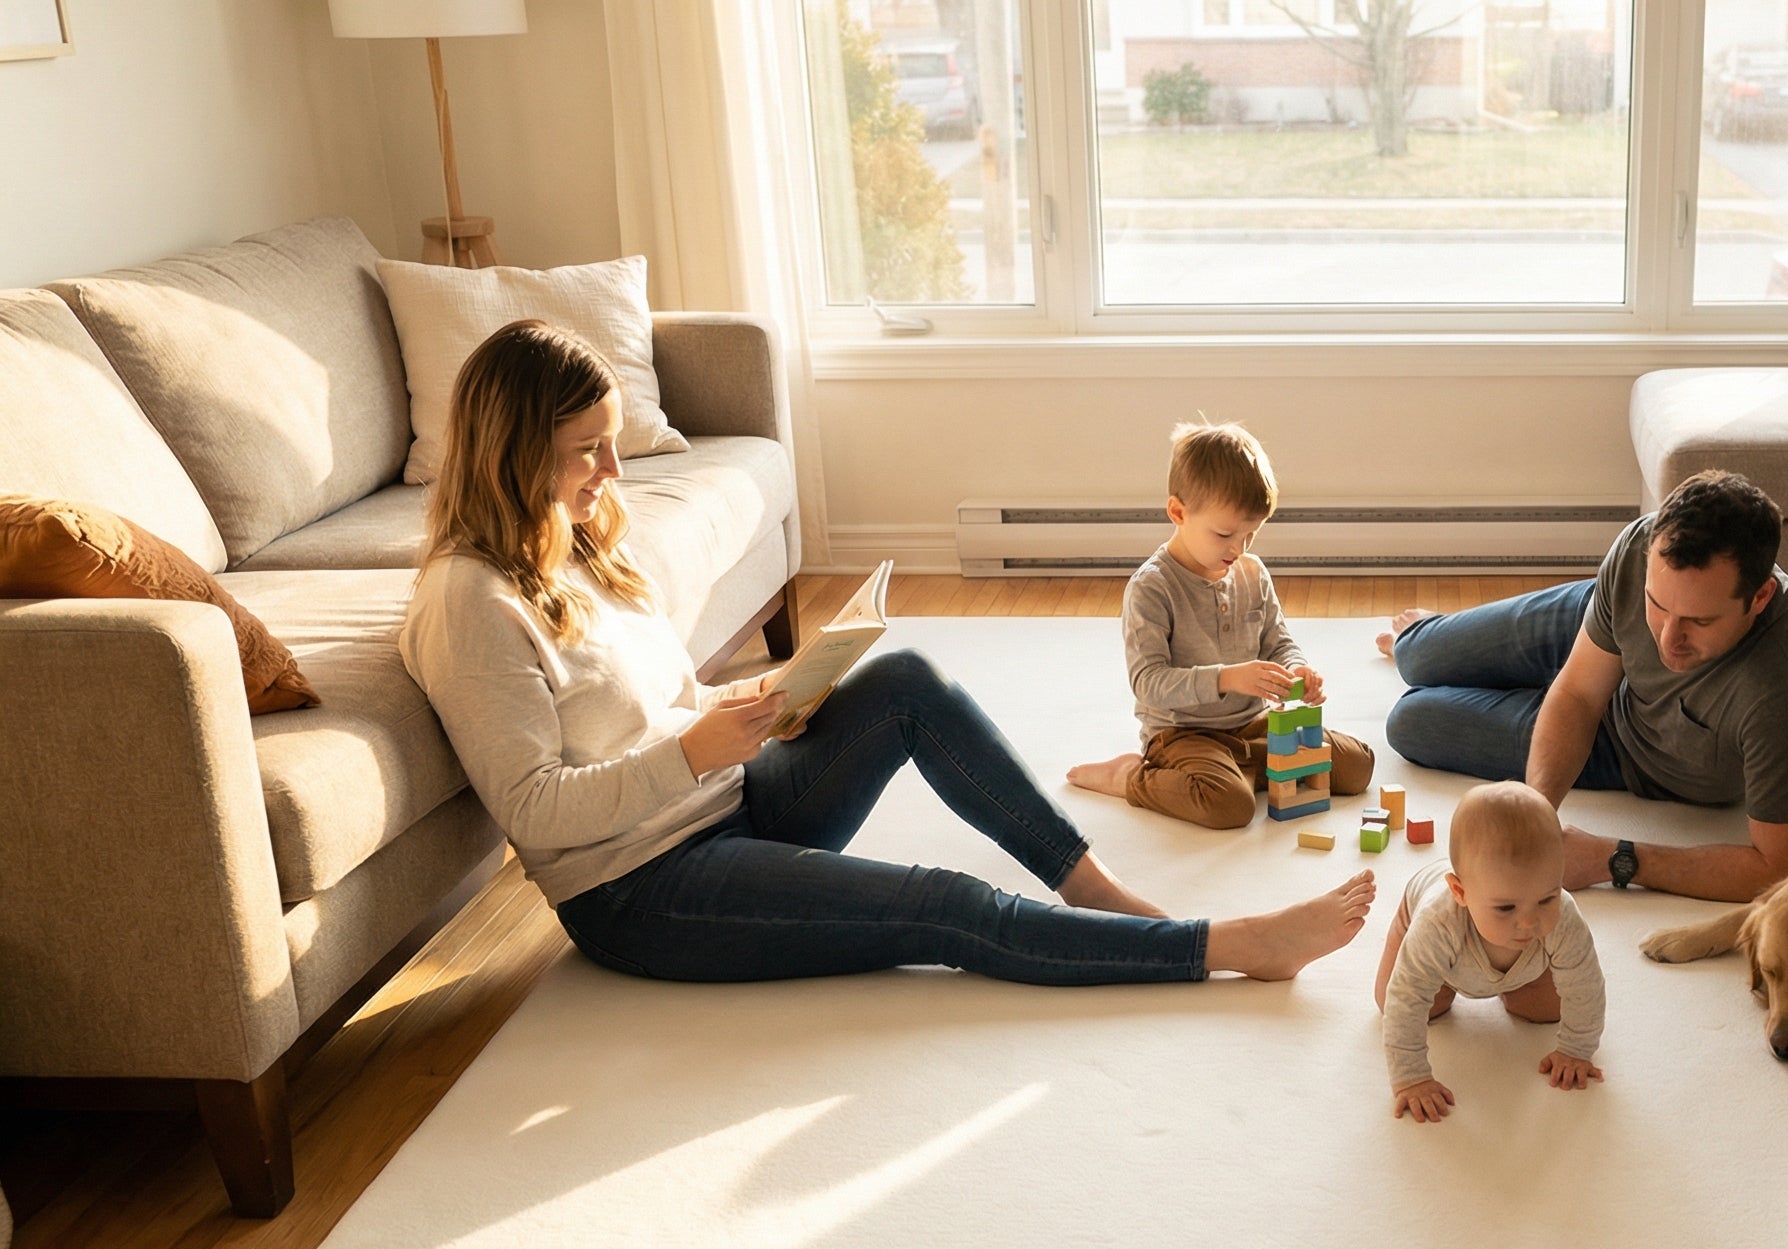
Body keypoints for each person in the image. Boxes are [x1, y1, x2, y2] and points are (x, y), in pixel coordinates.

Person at [399, 319, 1372, 986]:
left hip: (731, 803)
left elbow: (666, 701)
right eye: (587, 448)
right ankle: (1223, 947)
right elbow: (531, 812)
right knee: (941, 906)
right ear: (510, 447)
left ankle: (1097, 893)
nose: (614, 470)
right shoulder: (467, 602)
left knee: (902, 683)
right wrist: (694, 751)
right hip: (642, 886)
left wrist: (764, 699)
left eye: (611, 443)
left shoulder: (581, 549)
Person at [1380, 471, 1788, 903]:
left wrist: (1612, 857)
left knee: (1411, 720)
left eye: (1699, 621)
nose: (1667, 639)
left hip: (1631, 754)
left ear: (1760, 596)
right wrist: (1539, 814)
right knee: (1416, 655)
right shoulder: (1637, 548)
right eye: (1658, 604)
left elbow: (1781, 869)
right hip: (1598, 635)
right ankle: (1429, 634)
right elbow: (1581, 693)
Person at [1067, 422, 1374, 827]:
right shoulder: (1152, 587)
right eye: (1226, 533)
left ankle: (1242, 772)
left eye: (1251, 534)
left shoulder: (1252, 571)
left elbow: (1276, 640)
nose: (1239, 548)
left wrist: (1297, 668)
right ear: (1178, 512)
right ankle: (1131, 777)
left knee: (1358, 766)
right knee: (1229, 807)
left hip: (1253, 726)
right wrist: (1227, 678)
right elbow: (1148, 682)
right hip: (1183, 735)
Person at [1371, 782, 1607, 1124]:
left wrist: (1576, 1049)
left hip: (1525, 960)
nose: (1528, 921)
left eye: (1546, 898)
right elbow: (1406, 1000)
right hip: (1435, 938)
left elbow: (1585, 984)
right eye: (1506, 907)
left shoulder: (1562, 916)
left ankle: (1511, 981)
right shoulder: (1437, 923)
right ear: (1460, 891)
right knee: (1394, 1001)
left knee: (1547, 1009)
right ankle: (1449, 970)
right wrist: (1412, 1078)